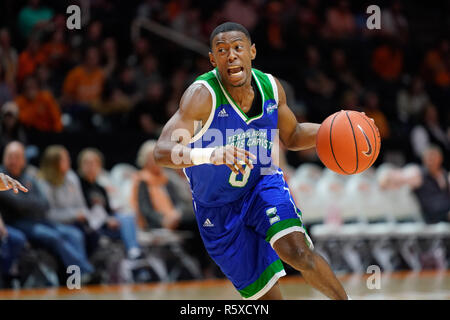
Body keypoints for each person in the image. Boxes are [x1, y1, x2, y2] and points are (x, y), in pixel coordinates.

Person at [153, 22, 349, 300]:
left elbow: (292, 135)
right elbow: (162, 151)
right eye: (221, 50)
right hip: (216, 208)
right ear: (212, 59)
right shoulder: (202, 96)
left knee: (298, 252)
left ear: (252, 52)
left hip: (262, 185)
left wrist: (334, 131)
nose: (230, 55)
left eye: (237, 48)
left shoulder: (270, 86)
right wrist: (210, 154)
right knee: (269, 298)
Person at [0, 141, 94, 277]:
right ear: (4, 157)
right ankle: (84, 272)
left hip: (37, 220)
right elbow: (18, 203)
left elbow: (44, 204)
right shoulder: (2, 177)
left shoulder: (29, 176)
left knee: (74, 234)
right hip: (17, 222)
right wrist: (29, 202)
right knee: (54, 237)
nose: (13, 160)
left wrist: (27, 203)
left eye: (17, 157)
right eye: (10, 156)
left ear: (23, 160)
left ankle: (77, 278)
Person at [77, 148, 141, 260]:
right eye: (87, 163)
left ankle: (133, 251)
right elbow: (83, 209)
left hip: (104, 222)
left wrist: (110, 217)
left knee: (127, 217)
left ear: (99, 166)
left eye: (93, 163)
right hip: (91, 224)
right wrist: (107, 220)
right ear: (80, 165)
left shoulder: (100, 187)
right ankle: (132, 250)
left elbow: (107, 209)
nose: (90, 166)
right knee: (124, 222)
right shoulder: (78, 185)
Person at [37, 145, 98, 256]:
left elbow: (81, 204)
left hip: (75, 221)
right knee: (75, 235)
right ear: (54, 163)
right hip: (54, 223)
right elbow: (48, 215)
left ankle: (91, 267)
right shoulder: (43, 183)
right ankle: (80, 272)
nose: (69, 161)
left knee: (94, 232)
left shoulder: (72, 177)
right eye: (65, 159)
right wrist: (74, 215)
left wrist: (83, 214)